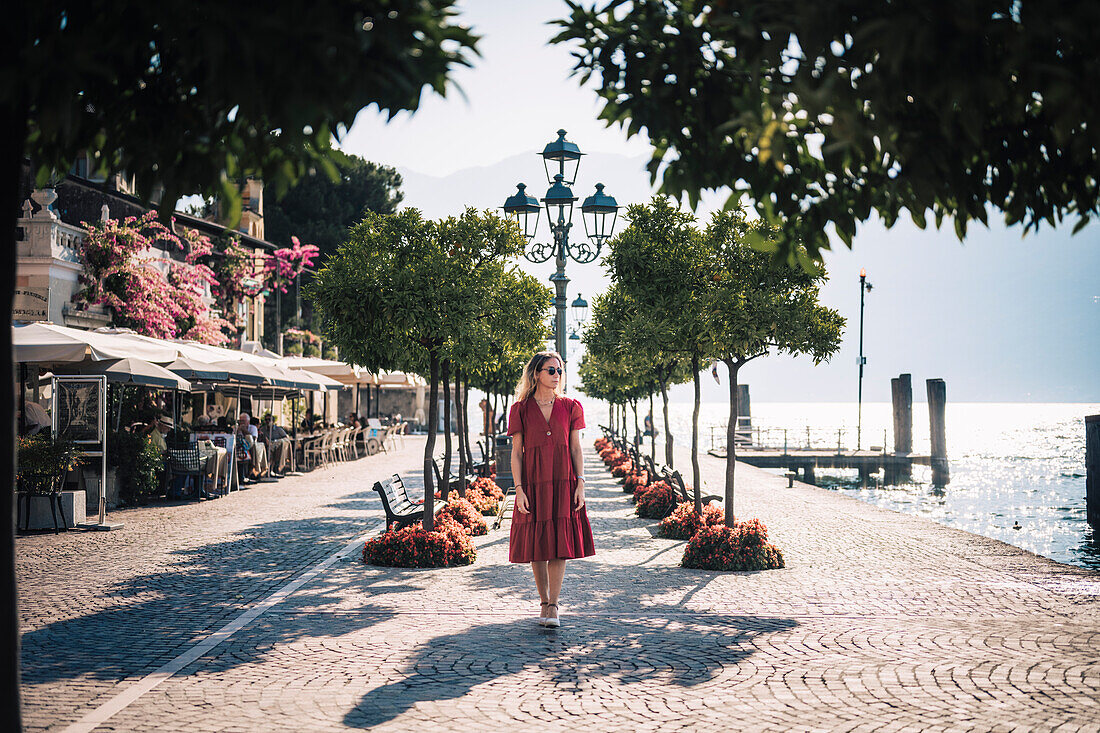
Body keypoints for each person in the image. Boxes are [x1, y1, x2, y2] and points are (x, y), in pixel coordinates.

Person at [507, 350, 594, 628]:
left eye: (559, 370)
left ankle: (554, 605)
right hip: (533, 482)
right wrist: (519, 489)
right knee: (537, 547)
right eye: (551, 370)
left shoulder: (570, 406)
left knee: (559, 545)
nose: (557, 375)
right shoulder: (520, 409)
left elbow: (576, 448)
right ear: (536, 374)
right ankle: (543, 602)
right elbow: (517, 454)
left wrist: (580, 481)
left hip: (563, 481)